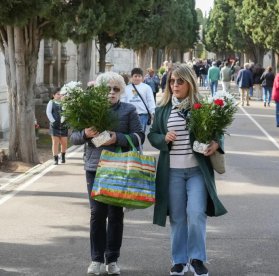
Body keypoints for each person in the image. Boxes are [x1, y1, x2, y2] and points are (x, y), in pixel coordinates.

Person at [148, 64, 227, 276]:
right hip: (171, 172)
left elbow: (216, 132)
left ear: (189, 83)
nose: (175, 85)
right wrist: (163, 138)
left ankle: (198, 259)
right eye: (172, 81)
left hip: (196, 172)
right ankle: (179, 261)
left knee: (196, 214)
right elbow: (152, 135)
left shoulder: (201, 108)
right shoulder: (162, 109)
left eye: (180, 81)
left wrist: (216, 144)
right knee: (177, 218)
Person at [70, 71, 145, 275]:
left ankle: (112, 259)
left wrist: (117, 138)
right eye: (107, 89)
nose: (111, 93)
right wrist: (85, 133)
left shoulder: (129, 110)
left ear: (121, 91)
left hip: (118, 167)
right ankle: (96, 260)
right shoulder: (88, 111)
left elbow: (139, 137)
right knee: (97, 214)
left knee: (115, 215)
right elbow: (74, 137)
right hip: (94, 167)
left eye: (115, 89)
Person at [121, 67, 156, 132]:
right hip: (130, 115)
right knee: (131, 134)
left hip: (142, 115)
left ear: (142, 77)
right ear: (131, 77)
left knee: (140, 134)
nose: (137, 78)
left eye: (139, 76)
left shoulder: (146, 88)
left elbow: (150, 100)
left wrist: (153, 112)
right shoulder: (126, 88)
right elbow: (123, 101)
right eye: (135, 76)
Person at [46, 87, 68, 165]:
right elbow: (48, 113)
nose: (59, 96)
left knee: (64, 142)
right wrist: (53, 121)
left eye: (60, 94)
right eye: (58, 94)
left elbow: (66, 112)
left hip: (64, 125)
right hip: (54, 126)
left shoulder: (64, 103)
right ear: (54, 95)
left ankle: (63, 155)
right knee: (55, 142)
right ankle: (55, 159)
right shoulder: (51, 102)